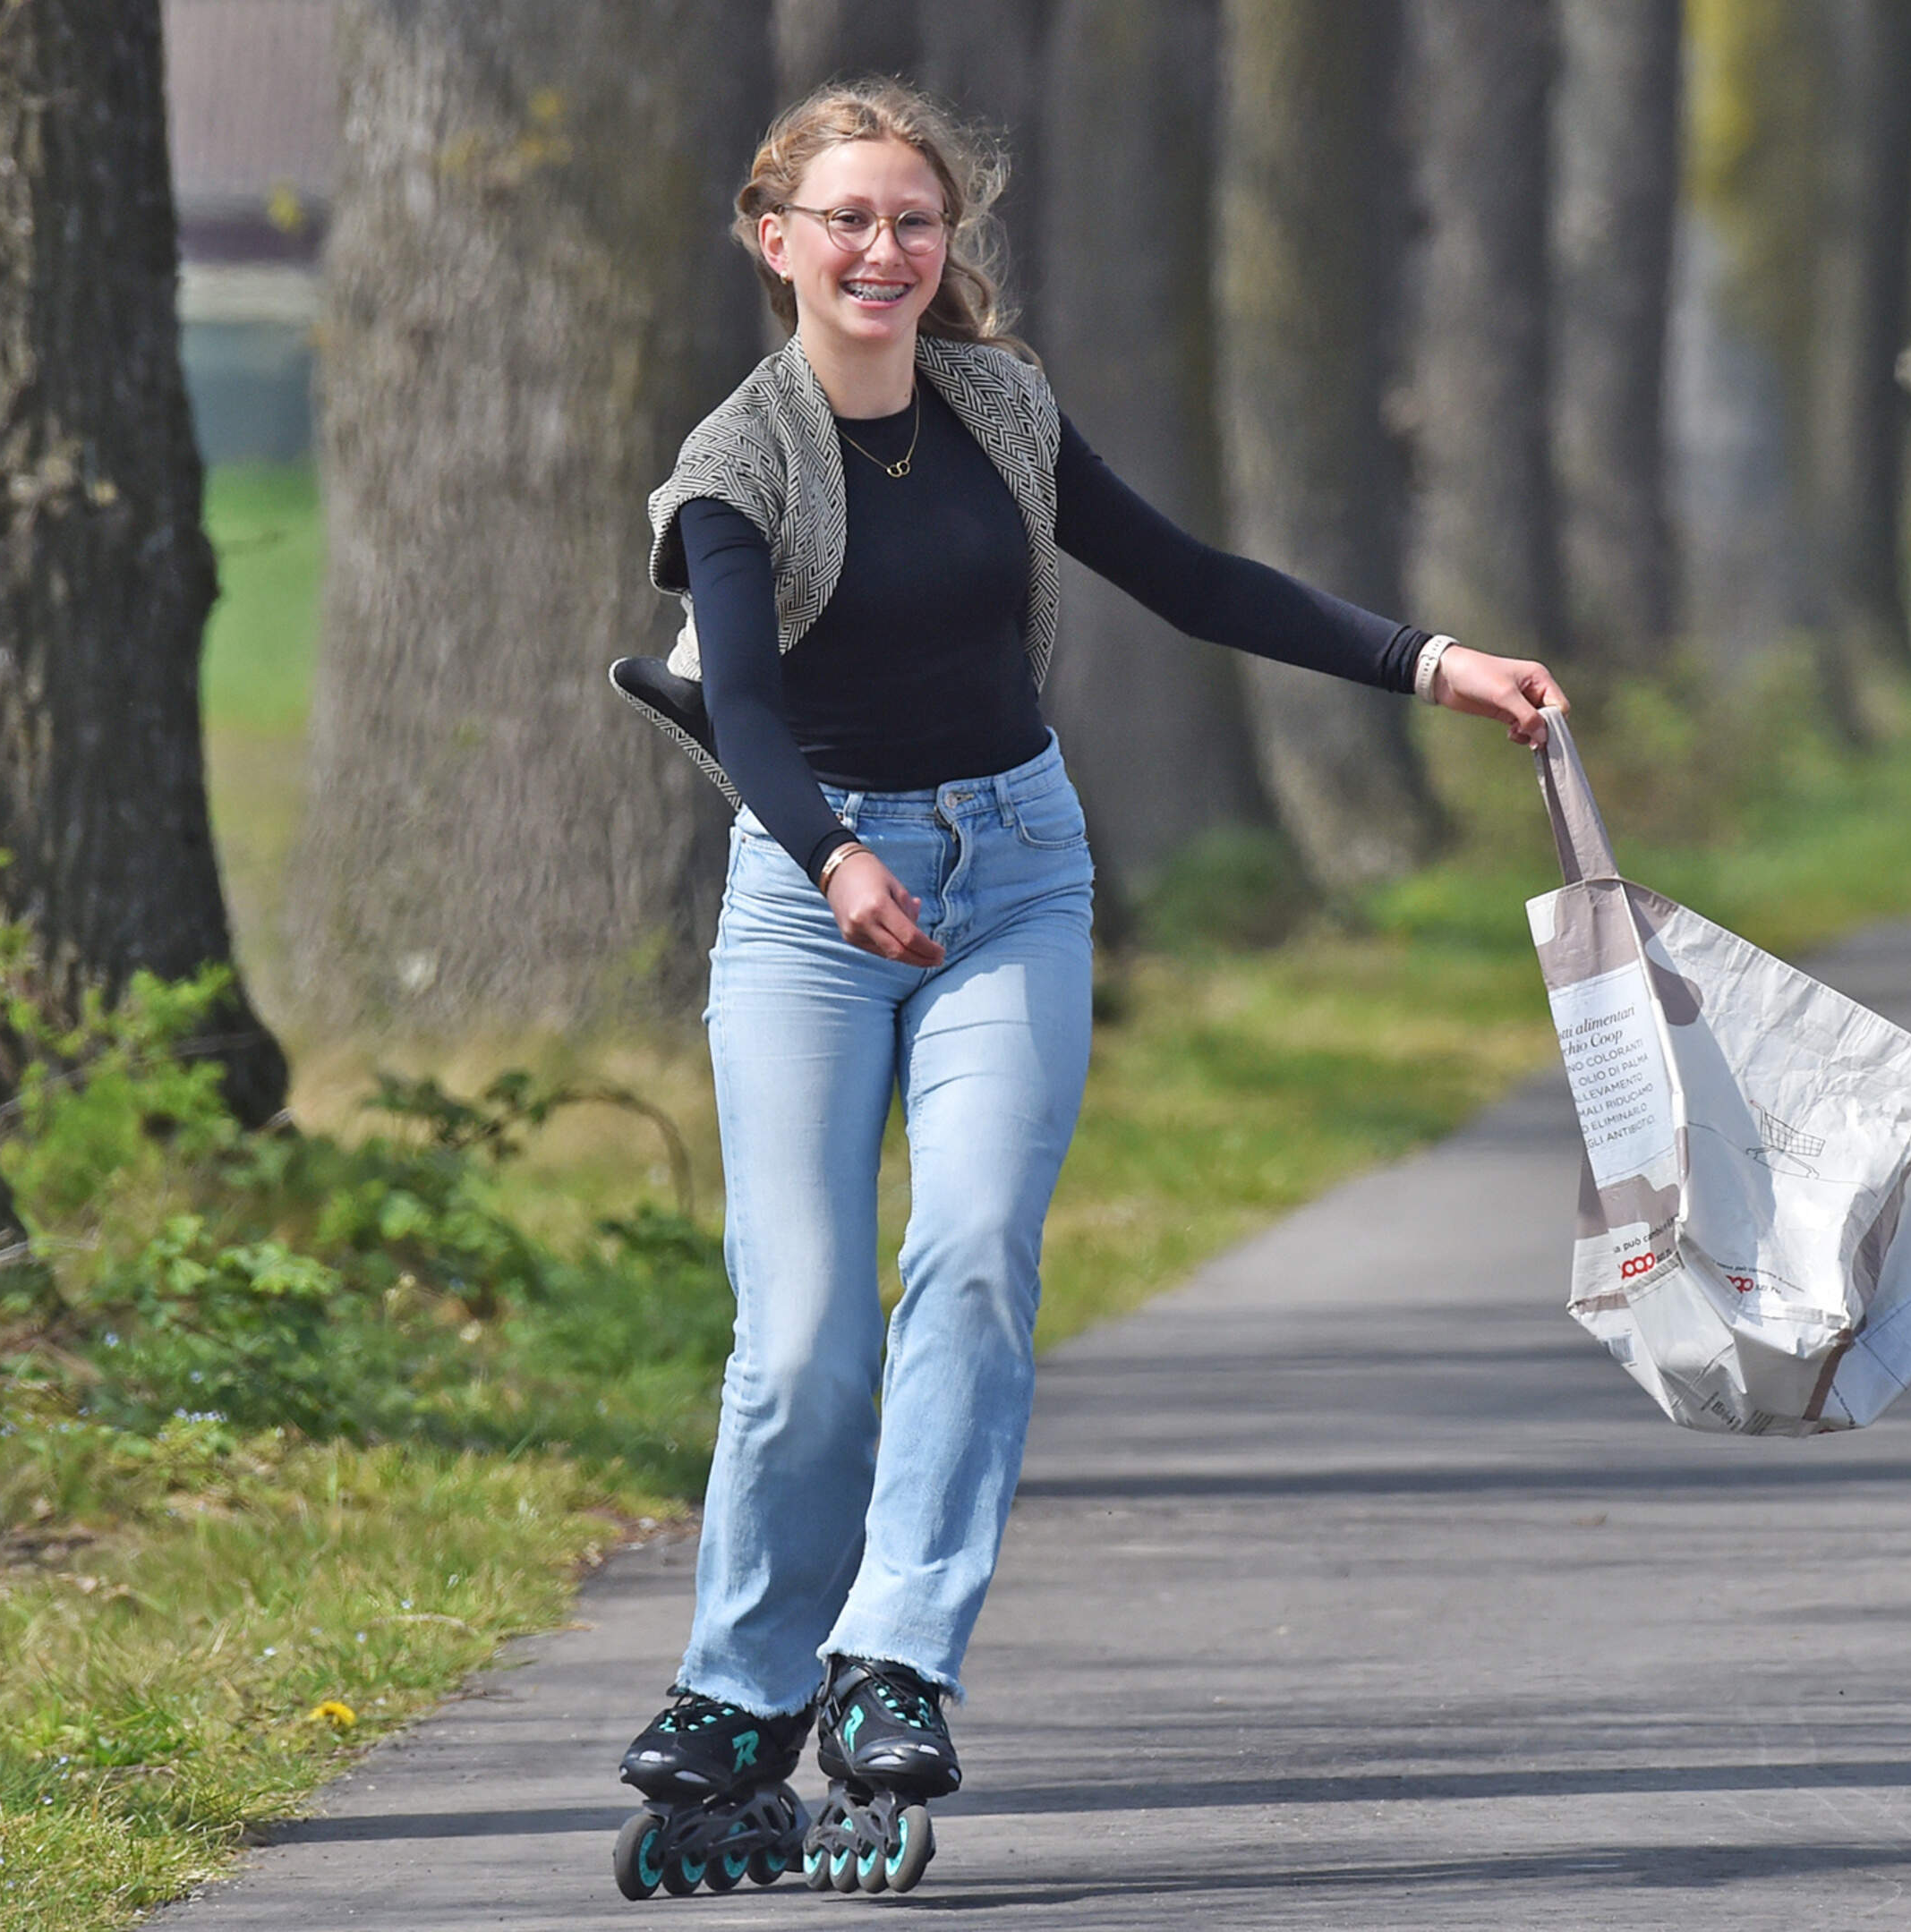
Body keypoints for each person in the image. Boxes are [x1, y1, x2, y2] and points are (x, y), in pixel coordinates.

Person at [591, 81, 1564, 1899]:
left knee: (969, 1254)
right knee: (799, 1331)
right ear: (773, 237)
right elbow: (742, 707)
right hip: (815, 902)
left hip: (1016, 877)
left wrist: (1428, 661)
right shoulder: (736, 468)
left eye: (915, 222)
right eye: (849, 221)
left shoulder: (1001, 407)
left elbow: (1189, 583)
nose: (885, 252)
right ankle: (734, 1699)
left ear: (946, 242)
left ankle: (891, 1664)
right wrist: (838, 859)